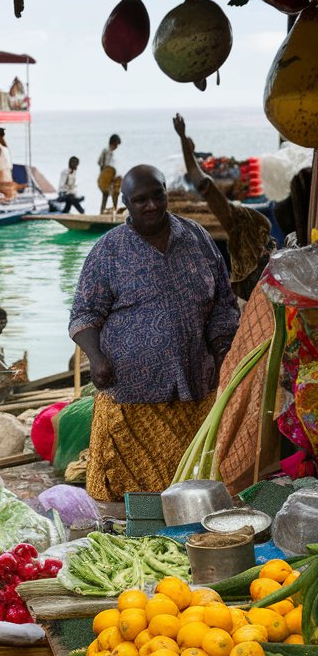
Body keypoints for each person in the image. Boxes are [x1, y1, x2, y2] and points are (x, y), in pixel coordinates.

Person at [69, 165, 240, 502]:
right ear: (125, 204)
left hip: (196, 392)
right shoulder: (108, 251)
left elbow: (223, 304)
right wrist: (96, 357)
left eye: (156, 195)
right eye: (140, 200)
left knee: (193, 494)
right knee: (132, 497)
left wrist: (225, 356)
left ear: (166, 191)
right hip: (132, 398)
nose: (150, 205)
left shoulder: (198, 238)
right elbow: (83, 315)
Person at [173, 114, 274, 299]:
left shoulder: (241, 230)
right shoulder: (273, 264)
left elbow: (201, 182)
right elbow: (202, 182)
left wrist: (182, 139)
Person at [97, 133, 122, 214]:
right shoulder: (108, 152)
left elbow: (99, 162)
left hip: (106, 176)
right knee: (110, 193)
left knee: (106, 195)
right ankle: (111, 210)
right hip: (107, 177)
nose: (117, 147)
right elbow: (106, 165)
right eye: (117, 145)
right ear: (114, 143)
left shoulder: (107, 151)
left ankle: (102, 211)